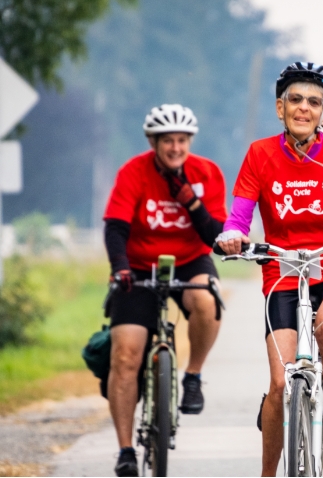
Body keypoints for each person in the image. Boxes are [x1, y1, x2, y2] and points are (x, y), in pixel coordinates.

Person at [216, 62, 323, 476]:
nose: (303, 108)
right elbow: (239, 217)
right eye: (295, 100)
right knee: (280, 384)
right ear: (280, 108)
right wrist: (232, 236)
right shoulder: (260, 154)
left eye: (314, 102)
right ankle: (267, 473)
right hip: (282, 269)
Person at [103, 104, 227, 476]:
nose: (175, 147)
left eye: (182, 140)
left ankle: (192, 376)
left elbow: (215, 238)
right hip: (139, 265)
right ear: (153, 142)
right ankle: (125, 450)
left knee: (206, 301)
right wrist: (120, 268)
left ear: (190, 141)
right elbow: (115, 228)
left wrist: (190, 200)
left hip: (190, 258)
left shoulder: (207, 173)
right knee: (125, 355)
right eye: (167, 141)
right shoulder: (134, 172)